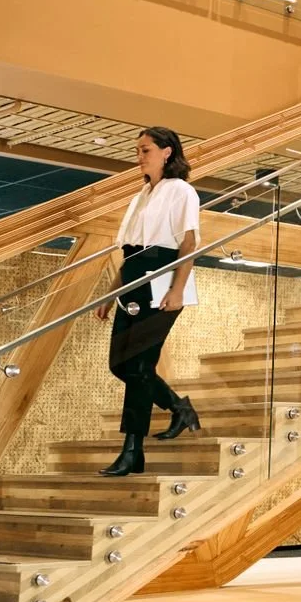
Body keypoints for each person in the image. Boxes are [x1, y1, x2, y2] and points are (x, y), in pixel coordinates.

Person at [94, 127, 202, 476]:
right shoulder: (141, 194)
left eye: (146, 150)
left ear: (167, 152)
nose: (139, 156)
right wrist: (112, 294)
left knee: (140, 367)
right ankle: (178, 407)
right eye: (138, 150)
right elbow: (129, 252)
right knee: (119, 365)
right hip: (133, 279)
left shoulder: (182, 191)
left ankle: (132, 450)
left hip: (163, 280)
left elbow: (188, 245)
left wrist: (176, 289)